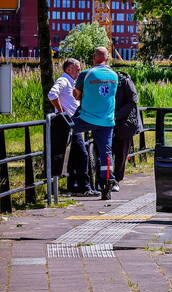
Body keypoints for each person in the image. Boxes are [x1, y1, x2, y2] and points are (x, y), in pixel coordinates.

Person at [72, 47, 119, 200]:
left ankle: (57, 167)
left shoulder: (86, 74)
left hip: (86, 119)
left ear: (94, 57)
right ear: (107, 58)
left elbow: (77, 96)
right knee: (106, 151)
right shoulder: (114, 75)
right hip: (107, 121)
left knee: (66, 130)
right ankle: (107, 180)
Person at [47, 58, 95, 195]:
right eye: (78, 69)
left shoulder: (71, 82)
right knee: (82, 154)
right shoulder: (63, 80)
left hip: (73, 122)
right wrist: (62, 112)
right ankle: (84, 187)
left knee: (75, 155)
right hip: (68, 123)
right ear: (69, 69)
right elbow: (52, 94)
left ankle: (75, 186)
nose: (80, 71)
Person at [112, 70, 143, 191]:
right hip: (108, 121)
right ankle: (104, 179)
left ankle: (116, 180)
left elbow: (132, 101)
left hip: (125, 123)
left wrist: (117, 115)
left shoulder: (125, 81)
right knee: (105, 152)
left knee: (121, 153)